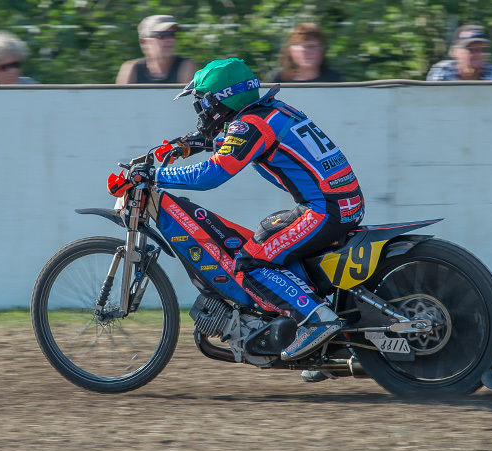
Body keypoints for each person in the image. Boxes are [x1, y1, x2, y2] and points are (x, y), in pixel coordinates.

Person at [132, 58, 364, 361]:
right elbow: (236, 142)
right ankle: (325, 344)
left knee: (251, 263)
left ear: (219, 100)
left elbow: (211, 175)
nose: (200, 110)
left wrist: (154, 175)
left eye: (202, 102)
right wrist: (192, 143)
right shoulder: (273, 111)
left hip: (325, 210)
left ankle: (318, 320)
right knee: (267, 232)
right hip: (341, 203)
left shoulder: (250, 124)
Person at [115, 14, 196, 84]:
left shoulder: (185, 66)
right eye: (162, 35)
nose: (170, 40)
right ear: (144, 41)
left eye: (172, 34)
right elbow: (121, 100)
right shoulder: (132, 69)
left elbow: (187, 100)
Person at [426, 24, 492, 81]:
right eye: (471, 50)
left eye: (483, 50)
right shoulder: (442, 71)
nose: (478, 55)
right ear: (454, 52)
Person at [269, 23, 342, 83]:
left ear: (322, 51)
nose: (309, 51)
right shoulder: (276, 80)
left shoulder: (334, 80)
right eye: (304, 46)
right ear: (290, 50)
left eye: (314, 47)